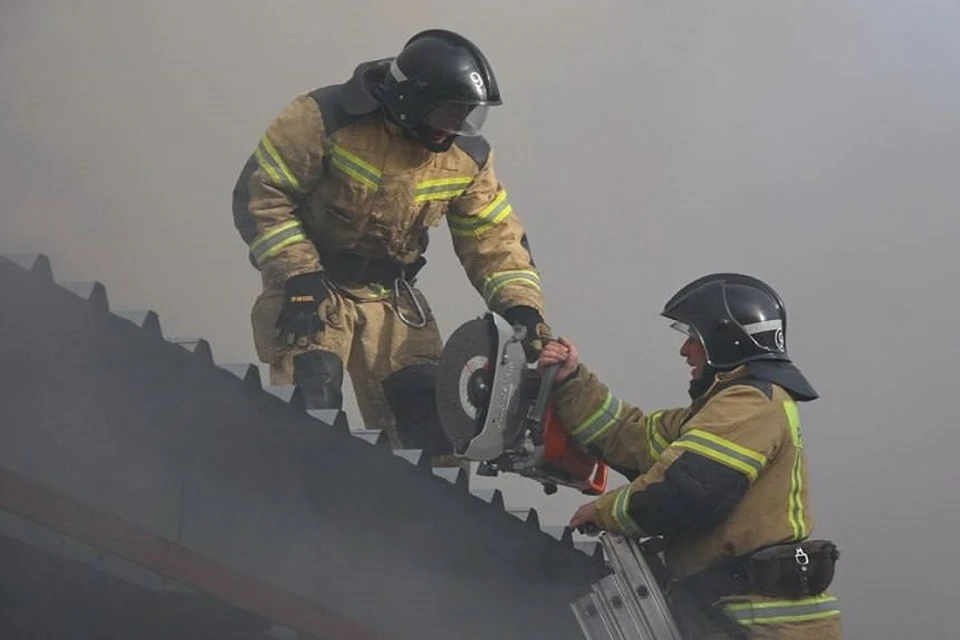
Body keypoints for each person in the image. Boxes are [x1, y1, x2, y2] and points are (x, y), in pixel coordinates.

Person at [231, 29, 551, 465]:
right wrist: (296, 273)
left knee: (430, 429)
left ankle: (411, 526)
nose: (458, 127)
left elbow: (493, 238)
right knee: (312, 402)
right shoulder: (324, 117)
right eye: (449, 113)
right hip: (315, 290)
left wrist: (522, 310)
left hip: (393, 307)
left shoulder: (467, 156)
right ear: (412, 99)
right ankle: (300, 506)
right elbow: (261, 196)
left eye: (467, 115)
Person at [539, 273, 842, 639]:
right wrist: (572, 381)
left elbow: (688, 492)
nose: (685, 351)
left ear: (723, 341)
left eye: (693, 337)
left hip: (760, 629)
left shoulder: (752, 405)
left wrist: (602, 512)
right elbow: (632, 437)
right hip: (735, 621)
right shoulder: (721, 409)